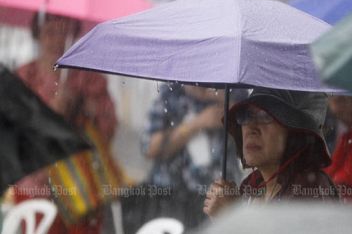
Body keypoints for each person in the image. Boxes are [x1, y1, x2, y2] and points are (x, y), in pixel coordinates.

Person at [13, 13, 120, 234]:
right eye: (50, 32)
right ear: (37, 34)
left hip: (82, 184)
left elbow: (109, 127)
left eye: (65, 33)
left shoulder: (88, 78)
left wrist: (88, 108)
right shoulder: (24, 77)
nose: (57, 40)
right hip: (36, 187)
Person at [203, 87, 338, 218]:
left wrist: (234, 215)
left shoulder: (312, 189)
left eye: (265, 116)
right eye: (246, 115)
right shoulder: (251, 185)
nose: (251, 128)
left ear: (295, 134)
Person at [139, 84, 246, 230]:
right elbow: (149, 148)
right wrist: (197, 124)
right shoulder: (170, 94)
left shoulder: (235, 91)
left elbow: (251, 137)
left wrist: (229, 106)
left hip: (216, 197)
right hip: (170, 194)